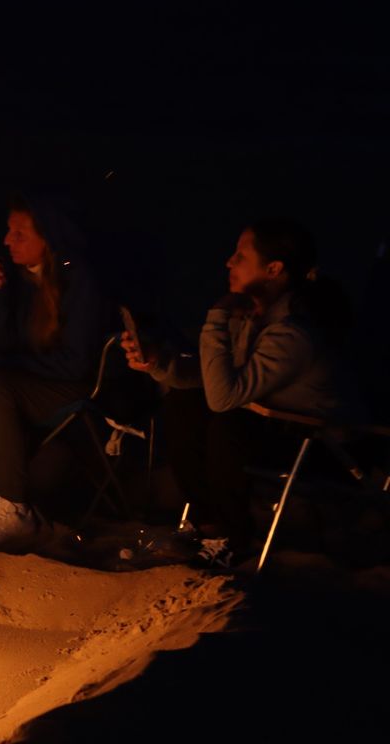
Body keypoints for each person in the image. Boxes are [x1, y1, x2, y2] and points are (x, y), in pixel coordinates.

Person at [121, 217, 356, 568]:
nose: (228, 262)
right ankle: (207, 523)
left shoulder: (294, 333)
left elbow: (223, 397)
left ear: (273, 268)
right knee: (184, 402)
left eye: (241, 256)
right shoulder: (254, 317)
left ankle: (232, 537)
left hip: (321, 448)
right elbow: (211, 378)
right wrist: (158, 363)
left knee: (227, 422)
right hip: (270, 426)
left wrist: (217, 316)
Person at [0, 191, 113, 550]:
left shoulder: (80, 281)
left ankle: (15, 509)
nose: (6, 240)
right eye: (7, 231)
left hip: (71, 383)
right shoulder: (19, 279)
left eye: (19, 234)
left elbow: (75, 362)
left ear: (48, 238)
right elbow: (3, 347)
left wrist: (1, 368)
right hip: (31, 377)